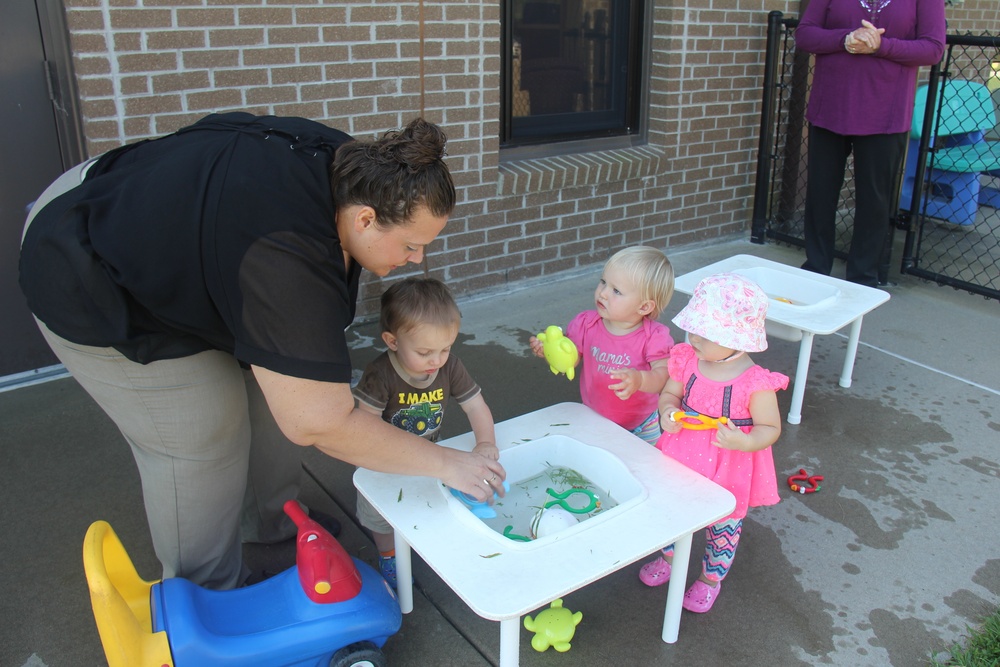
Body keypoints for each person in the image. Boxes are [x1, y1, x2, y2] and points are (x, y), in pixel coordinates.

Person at [18, 112, 505, 590]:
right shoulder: (285, 258)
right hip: (84, 254)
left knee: (275, 386)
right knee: (201, 433)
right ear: (365, 218)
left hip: (181, 239)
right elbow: (319, 421)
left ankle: (273, 522)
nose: (418, 260)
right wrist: (448, 464)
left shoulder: (356, 169)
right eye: (413, 245)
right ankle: (207, 596)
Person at [638, 273, 788, 613]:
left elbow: (770, 428)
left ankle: (709, 578)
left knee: (723, 525)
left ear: (738, 339)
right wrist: (666, 413)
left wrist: (743, 441)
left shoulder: (756, 383)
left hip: (728, 465)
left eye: (705, 333)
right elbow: (670, 394)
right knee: (673, 510)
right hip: (682, 455)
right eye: (693, 329)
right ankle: (669, 557)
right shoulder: (688, 360)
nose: (693, 338)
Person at [353, 277, 498, 587]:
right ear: (392, 341)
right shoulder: (380, 375)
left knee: (434, 500)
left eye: (445, 348)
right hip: (381, 463)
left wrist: (485, 441)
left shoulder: (449, 366)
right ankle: (388, 554)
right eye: (425, 352)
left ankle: (427, 540)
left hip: (431, 451)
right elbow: (364, 428)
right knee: (380, 518)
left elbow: (475, 406)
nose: (437, 360)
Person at [795, 0, 946, 287]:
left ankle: (862, 279)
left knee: (875, 201)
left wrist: (880, 45)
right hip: (830, 108)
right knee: (819, 195)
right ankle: (815, 270)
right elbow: (805, 34)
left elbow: (933, 48)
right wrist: (846, 39)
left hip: (885, 115)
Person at [528, 246, 675, 445]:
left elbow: (663, 377)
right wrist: (551, 350)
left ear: (644, 307)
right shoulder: (586, 324)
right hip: (594, 418)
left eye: (616, 290)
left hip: (641, 426)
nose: (603, 293)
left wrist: (640, 380)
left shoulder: (654, 337)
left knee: (643, 468)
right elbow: (572, 358)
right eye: (603, 282)